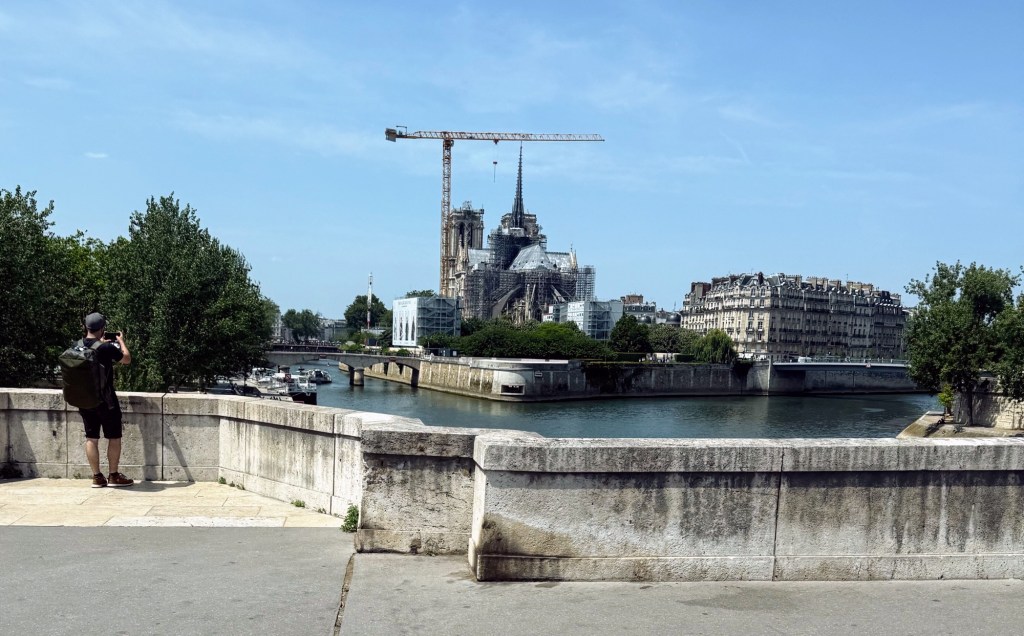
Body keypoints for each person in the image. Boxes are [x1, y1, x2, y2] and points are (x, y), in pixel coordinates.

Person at [79, 312, 134, 488]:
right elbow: (126, 359)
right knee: (114, 437)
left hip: (85, 399)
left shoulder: (77, 346)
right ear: (102, 328)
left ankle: (96, 477)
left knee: (91, 438)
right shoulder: (105, 348)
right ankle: (113, 476)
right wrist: (121, 341)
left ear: (86, 327)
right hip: (106, 400)